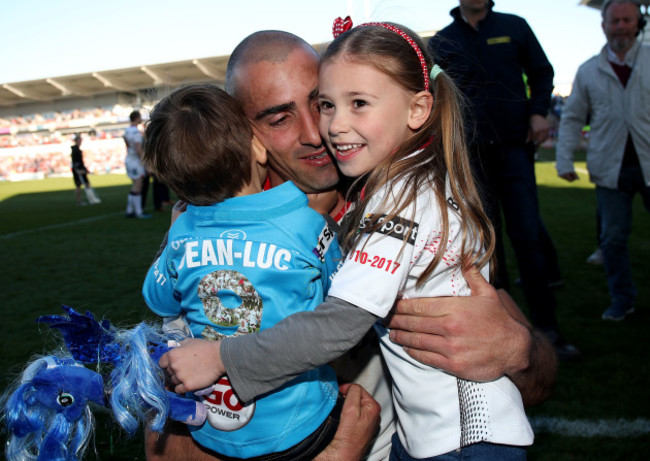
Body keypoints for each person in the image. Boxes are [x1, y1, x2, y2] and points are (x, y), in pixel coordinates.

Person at [146, 30, 557, 461]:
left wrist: (519, 350)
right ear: (246, 137)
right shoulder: (209, 236)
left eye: (321, 102)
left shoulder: (397, 198)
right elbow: (165, 448)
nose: (319, 131)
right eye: (279, 118)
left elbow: (538, 374)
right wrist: (337, 454)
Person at [141, 84, 348, 460]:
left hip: (212, 434)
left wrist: (174, 233)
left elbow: (157, 299)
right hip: (301, 427)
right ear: (257, 147)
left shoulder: (182, 234)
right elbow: (341, 294)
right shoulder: (305, 223)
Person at [428, 0, 581, 360]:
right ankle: (500, 333)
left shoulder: (514, 26)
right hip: (470, 156)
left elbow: (542, 72)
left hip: (515, 149)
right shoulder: (442, 41)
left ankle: (548, 333)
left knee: (528, 238)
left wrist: (539, 113)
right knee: (487, 244)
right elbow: (434, 95)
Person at [555, 0, 649, 321]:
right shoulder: (588, 70)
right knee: (612, 238)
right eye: (615, 21)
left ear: (637, 23)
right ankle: (622, 298)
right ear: (604, 25)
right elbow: (572, 118)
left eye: (627, 20)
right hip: (611, 167)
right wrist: (564, 160)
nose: (621, 26)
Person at [123, 110, 151, 219]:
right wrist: (145, 162)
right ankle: (138, 212)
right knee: (138, 186)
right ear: (137, 118)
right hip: (135, 161)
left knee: (134, 186)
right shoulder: (135, 132)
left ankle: (129, 211)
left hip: (129, 159)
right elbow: (138, 149)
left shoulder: (127, 130)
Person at [70, 133, 101, 205]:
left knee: (86, 183)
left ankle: (91, 199)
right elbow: (75, 161)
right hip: (78, 170)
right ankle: (80, 201)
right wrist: (78, 169)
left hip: (80, 168)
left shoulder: (77, 149)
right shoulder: (75, 150)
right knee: (79, 185)